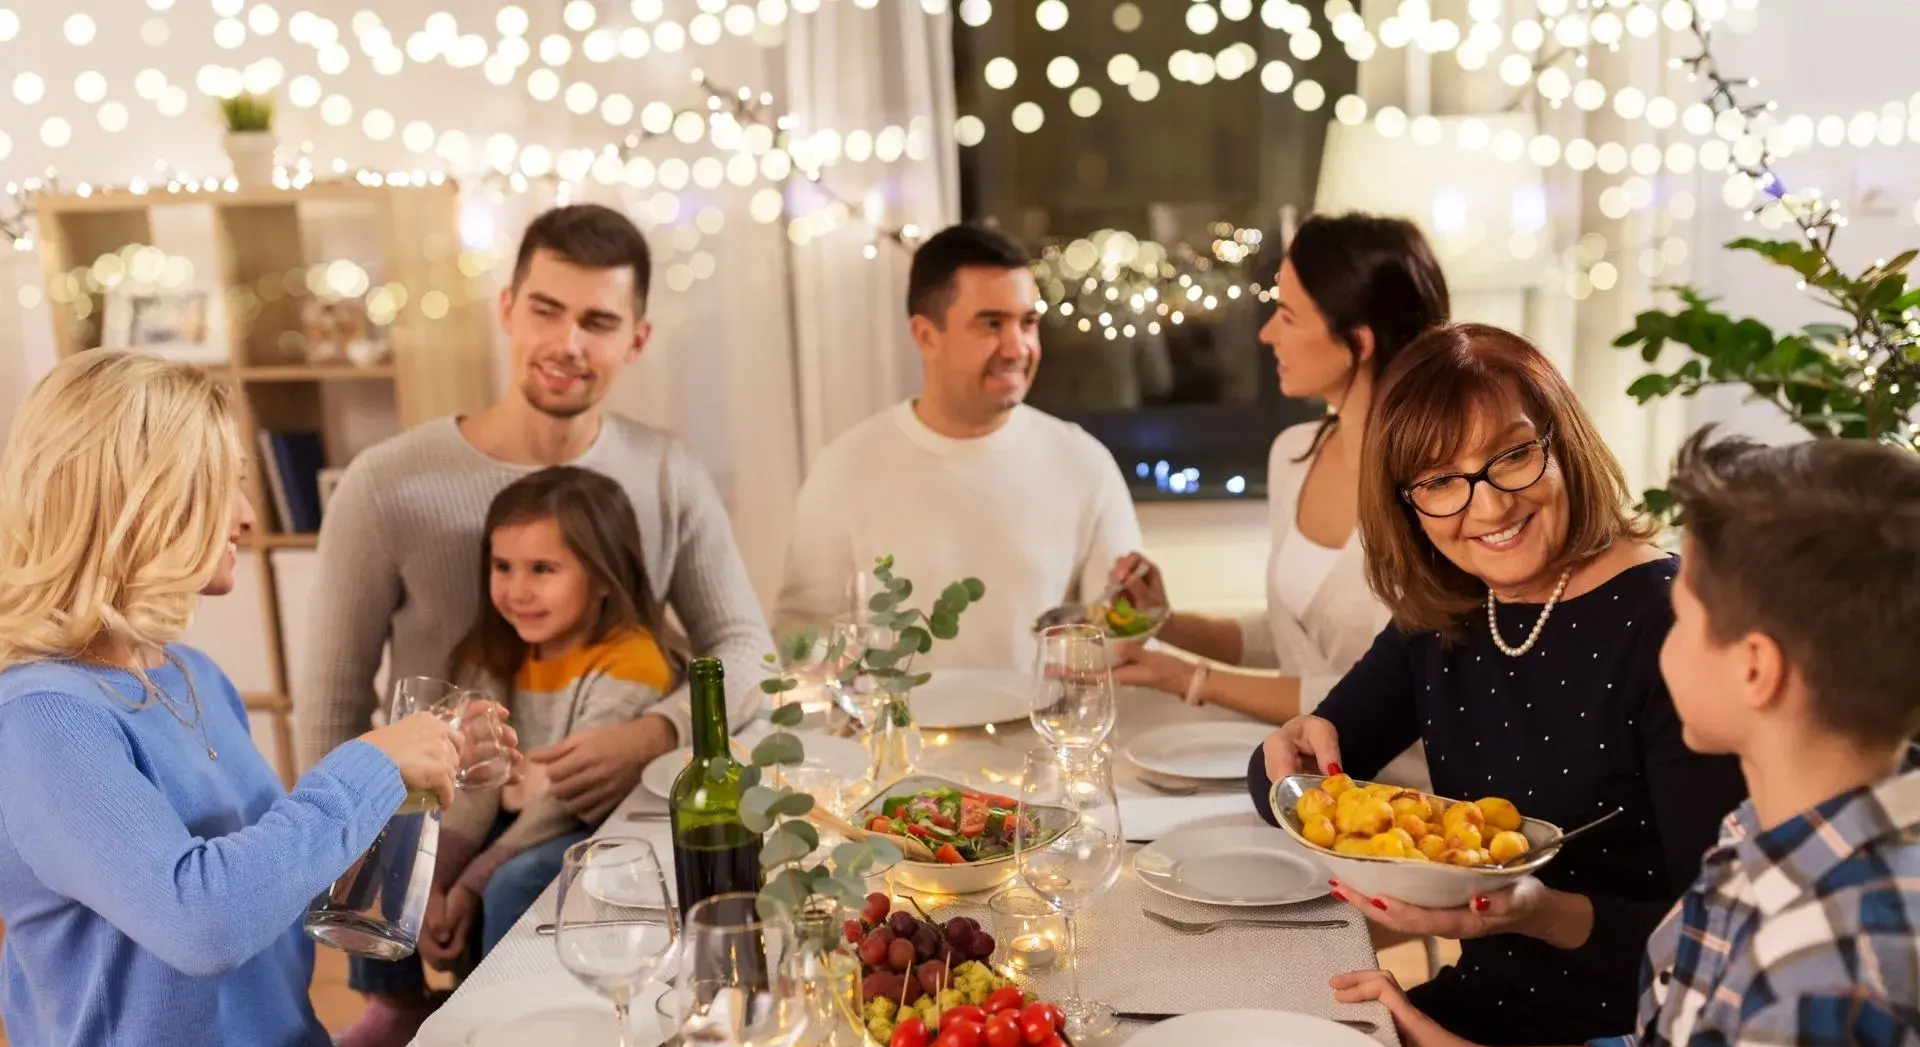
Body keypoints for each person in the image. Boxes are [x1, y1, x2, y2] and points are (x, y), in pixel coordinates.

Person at [1329, 432, 1920, 1047]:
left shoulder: (1829, 975)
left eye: (1685, 612)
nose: (1656, 622)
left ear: (1755, 670)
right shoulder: (1765, 840)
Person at [1250, 323, 1747, 1047]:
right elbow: (1299, 774)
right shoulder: (1448, 612)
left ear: (1564, 444)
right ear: (1405, 503)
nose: (1484, 506)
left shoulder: (1672, 628)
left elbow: (1718, 958)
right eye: (1440, 481)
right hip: (1472, 1017)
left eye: (1512, 457)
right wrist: (1292, 744)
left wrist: (1539, 915)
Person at [0, 352, 471, 1047]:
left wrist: (412, 795)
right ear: (137, 502)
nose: (249, 518)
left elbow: (288, 896)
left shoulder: (190, 678)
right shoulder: (40, 721)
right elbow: (205, 920)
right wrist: (368, 764)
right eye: (221, 489)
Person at [299, 202, 769, 824]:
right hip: (436, 841)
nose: (567, 344)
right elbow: (332, 708)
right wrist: (371, 866)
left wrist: (657, 733)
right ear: (507, 309)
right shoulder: (385, 483)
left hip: (618, 836)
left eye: (598, 321)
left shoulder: (667, 471)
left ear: (637, 339)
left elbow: (748, 654)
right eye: (546, 311)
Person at [336, 466, 681, 1047]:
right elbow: (474, 782)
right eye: (503, 568)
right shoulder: (494, 651)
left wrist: (470, 884)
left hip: (586, 822)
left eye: (542, 569)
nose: (517, 590)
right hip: (514, 811)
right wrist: (438, 878)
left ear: (603, 577)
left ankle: (501, 1012)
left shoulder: (631, 661)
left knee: (513, 882)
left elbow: (561, 797)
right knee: (385, 840)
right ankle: (394, 1002)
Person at [1110, 214, 1449, 776]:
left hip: (1405, 795)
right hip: (1299, 785)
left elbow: (1381, 685)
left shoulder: (1437, 488)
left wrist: (1191, 680)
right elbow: (1293, 635)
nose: (1267, 333)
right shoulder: (1294, 454)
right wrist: (1166, 623)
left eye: (1288, 316)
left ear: (1357, 341)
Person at [773, 222, 1143, 669]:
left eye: (1027, 323)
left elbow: (1121, 638)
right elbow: (801, 634)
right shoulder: (846, 467)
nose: (1017, 347)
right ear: (926, 336)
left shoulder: (1084, 463)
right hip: (900, 738)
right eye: (991, 324)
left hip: (1041, 734)